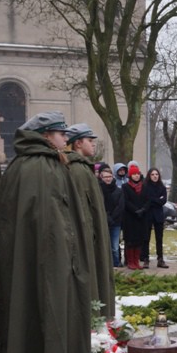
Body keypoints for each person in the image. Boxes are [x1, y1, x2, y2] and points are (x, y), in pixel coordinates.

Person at [0, 112, 90, 353]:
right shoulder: (39, 166)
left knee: (47, 315)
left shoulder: (35, 163)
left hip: (43, 256)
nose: (66, 138)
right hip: (44, 258)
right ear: (45, 135)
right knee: (47, 315)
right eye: (60, 133)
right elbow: (47, 220)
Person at [64, 124, 114, 320]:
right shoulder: (77, 170)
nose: (93, 145)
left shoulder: (82, 168)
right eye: (89, 141)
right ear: (78, 143)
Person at [121, 164, 148, 270]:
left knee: (139, 241)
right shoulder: (125, 187)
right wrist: (135, 210)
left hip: (141, 217)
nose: (136, 176)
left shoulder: (144, 186)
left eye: (137, 174)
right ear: (130, 176)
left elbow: (147, 200)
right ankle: (130, 261)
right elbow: (126, 201)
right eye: (134, 174)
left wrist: (143, 210)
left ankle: (136, 261)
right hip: (130, 217)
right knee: (130, 241)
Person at [141, 168, 169, 269]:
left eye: (156, 174)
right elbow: (145, 199)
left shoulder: (162, 187)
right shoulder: (145, 186)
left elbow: (163, 200)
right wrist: (157, 199)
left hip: (158, 215)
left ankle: (160, 259)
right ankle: (145, 259)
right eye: (152, 174)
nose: (155, 176)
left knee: (159, 238)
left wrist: (152, 200)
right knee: (146, 238)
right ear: (149, 175)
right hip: (147, 214)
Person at [98, 165, 124, 267]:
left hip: (116, 222)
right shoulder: (98, 190)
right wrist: (107, 217)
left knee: (115, 246)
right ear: (101, 177)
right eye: (105, 177)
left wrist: (112, 218)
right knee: (104, 246)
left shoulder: (118, 191)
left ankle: (116, 264)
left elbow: (120, 206)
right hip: (103, 221)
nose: (108, 179)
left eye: (109, 176)